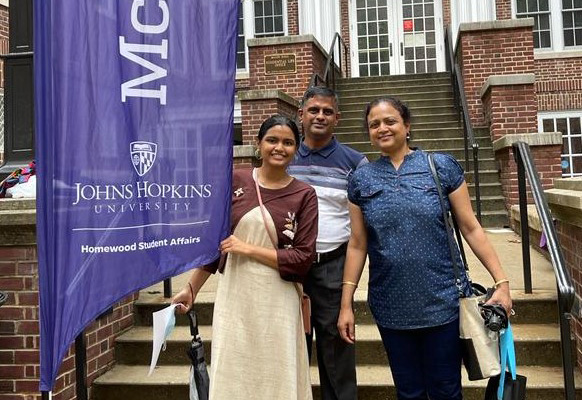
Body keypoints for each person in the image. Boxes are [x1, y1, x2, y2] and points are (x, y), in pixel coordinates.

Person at [337, 96, 513, 400]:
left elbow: (471, 227)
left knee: (445, 389)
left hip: (441, 300)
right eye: (374, 124)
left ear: (407, 125)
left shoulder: (440, 167)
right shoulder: (360, 180)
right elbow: (357, 244)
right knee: (409, 392)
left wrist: (502, 283)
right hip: (390, 303)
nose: (382, 128)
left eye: (390, 121)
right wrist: (345, 303)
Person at [173, 115, 318, 400]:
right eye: (272, 140)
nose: (280, 147)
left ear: (296, 148)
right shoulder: (236, 179)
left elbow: (303, 257)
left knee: (277, 369)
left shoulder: (304, 194)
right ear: (258, 143)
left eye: (288, 142)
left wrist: (247, 248)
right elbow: (216, 245)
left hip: (279, 297)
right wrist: (191, 289)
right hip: (236, 295)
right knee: (235, 366)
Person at [288, 86, 367, 400]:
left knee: (336, 354)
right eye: (313, 110)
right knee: (289, 348)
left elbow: (363, 227)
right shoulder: (283, 153)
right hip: (287, 268)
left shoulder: (354, 162)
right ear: (301, 115)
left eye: (327, 111)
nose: (320, 116)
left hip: (332, 265)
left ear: (338, 118)